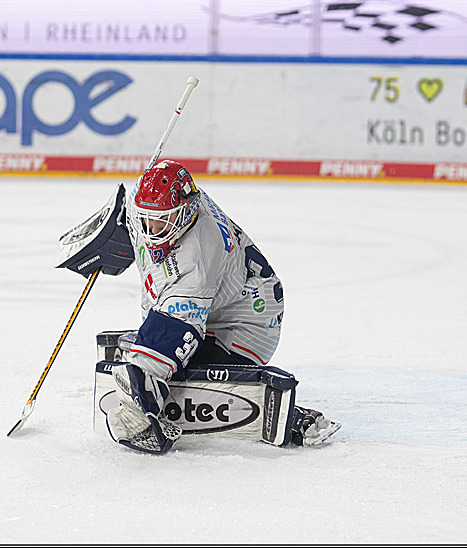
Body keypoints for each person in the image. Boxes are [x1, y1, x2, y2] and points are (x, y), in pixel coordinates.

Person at [105, 160, 338, 454]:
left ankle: (286, 415)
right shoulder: (171, 202)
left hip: (247, 323)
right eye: (147, 218)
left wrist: (142, 383)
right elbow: (141, 205)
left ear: (186, 213)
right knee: (162, 356)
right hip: (224, 301)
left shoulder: (196, 258)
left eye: (162, 220)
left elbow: (176, 326)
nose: (152, 230)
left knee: (180, 374)